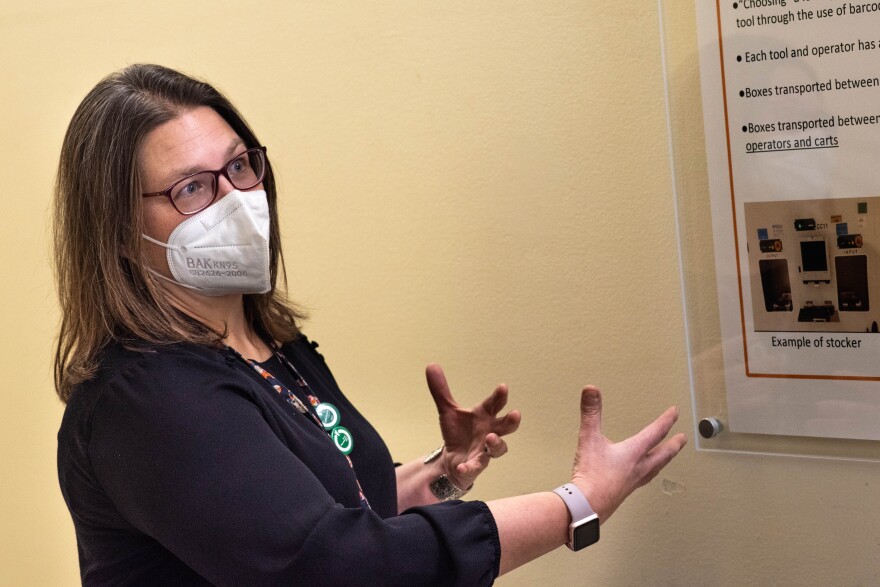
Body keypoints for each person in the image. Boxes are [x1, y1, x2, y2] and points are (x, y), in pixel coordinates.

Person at [54, 64, 687, 586]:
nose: (237, 201)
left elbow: (323, 507)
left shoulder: (271, 346)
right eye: (192, 189)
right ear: (116, 231)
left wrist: (440, 475)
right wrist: (579, 502)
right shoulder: (146, 401)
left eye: (241, 166)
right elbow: (338, 566)